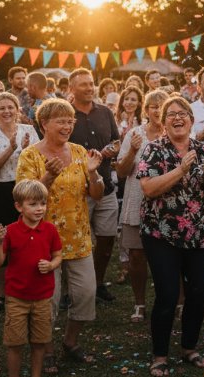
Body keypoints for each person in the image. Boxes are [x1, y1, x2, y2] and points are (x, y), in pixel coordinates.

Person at [137, 96, 204, 376]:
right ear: (163, 123)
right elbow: (149, 189)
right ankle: (160, 355)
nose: (177, 118)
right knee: (167, 294)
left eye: (183, 113)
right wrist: (181, 169)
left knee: (198, 293)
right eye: (171, 114)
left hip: (197, 234)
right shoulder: (153, 149)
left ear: (191, 120)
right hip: (160, 234)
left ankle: (189, 347)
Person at [16, 98, 105, 372]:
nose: (67, 126)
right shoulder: (30, 155)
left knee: (86, 293)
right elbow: (24, 197)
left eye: (70, 121)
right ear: (44, 124)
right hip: (42, 241)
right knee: (47, 301)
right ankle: (47, 350)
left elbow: (97, 195)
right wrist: (48, 178)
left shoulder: (79, 152)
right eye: (61, 121)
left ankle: (70, 341)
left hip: (78, 235)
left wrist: (94, 174)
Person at [0, 180, 63, 377]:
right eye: (33, 204)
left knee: (39, 343)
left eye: (43, 203)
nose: (40, 208)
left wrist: (51, 265)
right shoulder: (11, 231)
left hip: (43, 297)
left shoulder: (50, 230)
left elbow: (58, 255)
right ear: (19, 206)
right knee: (15, 344)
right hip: (16, 298)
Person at [0, 92, 41, 313]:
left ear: (17, 109)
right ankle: (1, 294)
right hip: (0, 190)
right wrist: (11, 148)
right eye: (2, 108)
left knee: (29, 240)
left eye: (10, 107)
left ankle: (28, 289)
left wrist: (24, 150)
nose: (7, 111)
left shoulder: (29, 131)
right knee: (1, 238)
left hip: (26, 190)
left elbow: (38, 160)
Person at [67, 68, 121, 303]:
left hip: (105, 185)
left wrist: (111, 149)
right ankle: (71, 290)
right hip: (76, 188)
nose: (89, 88)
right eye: (84, 85)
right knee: (76, 239)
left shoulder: (105, 112)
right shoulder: (66, 113)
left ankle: (98, 283)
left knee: (107, 239)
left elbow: (116, 140)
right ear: (72, 88)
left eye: (91, 84)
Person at [115, 89, 168, 322]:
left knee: (170, 256)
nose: (158, 110)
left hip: (168, 203)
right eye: (154, 106)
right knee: (137, 256)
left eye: (163, 106)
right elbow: (121, 171)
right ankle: (139, 303)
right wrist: (133, 150)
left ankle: (175, 301)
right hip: (137, 200)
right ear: (146, 110)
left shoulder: (175, 132)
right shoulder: (134, 134)